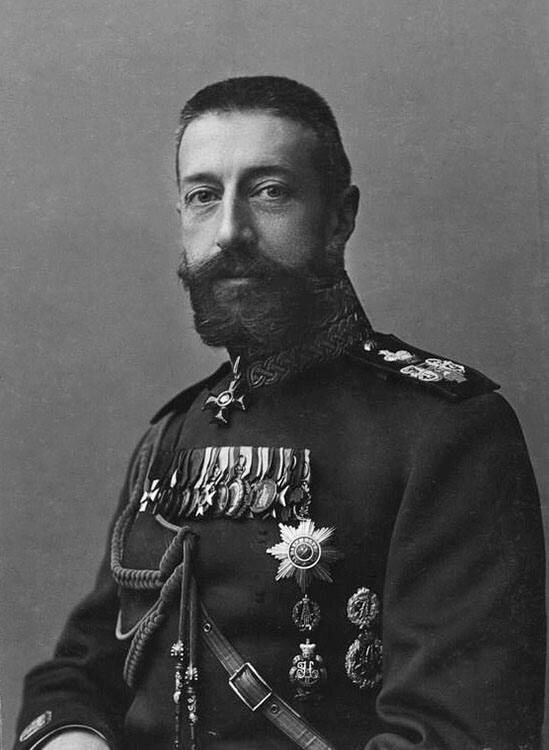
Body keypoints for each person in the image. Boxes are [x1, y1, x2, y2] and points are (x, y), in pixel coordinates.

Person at [14, 76, 545, 750]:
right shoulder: (171, 435)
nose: (229, 231)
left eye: (269, 192)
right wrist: (71, 737)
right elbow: (78, 673)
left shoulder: (446, 430)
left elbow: (455, 734)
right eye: (203, 196)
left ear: (339, 218)